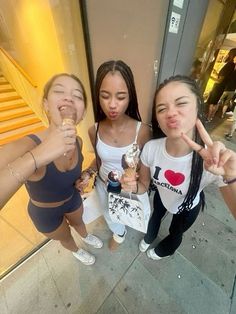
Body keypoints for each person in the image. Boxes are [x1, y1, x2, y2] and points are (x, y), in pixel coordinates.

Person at [121, 75, 236, 262]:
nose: (171, 113)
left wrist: (232, 175)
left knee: (176, 232)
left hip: (188, 207)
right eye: (162, 108)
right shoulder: (151, 148)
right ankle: (149, 237)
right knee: (155, 217)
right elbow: (143, 185)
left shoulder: (214, 162)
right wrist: (132, 187)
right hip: (161, 197)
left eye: (181, 103)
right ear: (157, 119)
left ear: (198, 107)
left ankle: (164, 250)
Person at [0, 73, 103, 265]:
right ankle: (76, 250)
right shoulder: (28, 146)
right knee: (65, 237)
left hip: (73, 199)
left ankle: (86, 236)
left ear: (82, 113)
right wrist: (36, 157)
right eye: (59, 91)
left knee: (80, 223)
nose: (69, 97)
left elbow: (67, 179)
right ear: (46, 105)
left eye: (77, 95)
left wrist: (81, 179)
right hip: (45, 212)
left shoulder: (78, 142)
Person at [87, 60, 151, 250]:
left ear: (130, 96)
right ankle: (119, 233)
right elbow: (99, 161)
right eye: (105, 96)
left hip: (130, 188)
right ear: (97, 96)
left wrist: (135, 180)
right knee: (109, 213)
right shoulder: (94, 130)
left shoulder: (143, 131)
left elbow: (145, 173)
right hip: (105, 186)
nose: (112, 105)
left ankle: (125, 228)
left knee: (130, 213)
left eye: (121, 97)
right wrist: (88, 173)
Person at [206, 48, 236, 122]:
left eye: (229, 53)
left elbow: (219, 80)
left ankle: (209, 118)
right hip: (223, 87)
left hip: (218, 87)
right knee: (216, 103)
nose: (227, 55)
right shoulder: (232, 65)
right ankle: (211, 117)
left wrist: (209, 76)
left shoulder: (229, 65)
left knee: (212, 103)